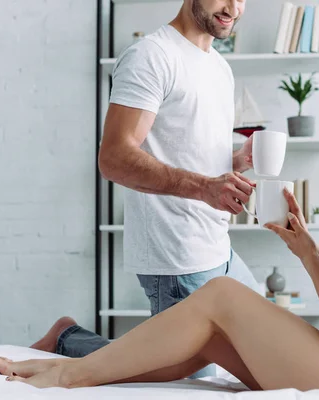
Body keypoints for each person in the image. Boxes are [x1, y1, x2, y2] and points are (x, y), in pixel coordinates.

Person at [0, 56, 319, 398]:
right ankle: (78, 364)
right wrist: (305, 247)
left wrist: (307, 255)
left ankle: (68, 376)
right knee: (212, 336)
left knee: (221, 295)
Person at [52, 0, 260, 377]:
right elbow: (113, 158)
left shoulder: (219, 67)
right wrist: (203, 188)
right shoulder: (152, 56)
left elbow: (186, 151)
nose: (234, 7)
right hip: (177, 260)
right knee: (180, 381)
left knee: (269, 355)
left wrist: (234, 163)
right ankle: (67, 339)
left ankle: (67, 336)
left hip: (218, 247)